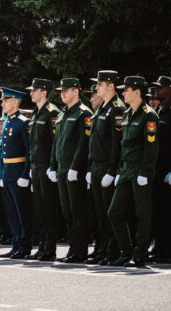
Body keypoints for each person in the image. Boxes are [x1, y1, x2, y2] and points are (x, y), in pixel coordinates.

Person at [107, 76, 159, 268]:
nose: (123, 93)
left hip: (140, 170)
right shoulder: (127, 114)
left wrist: (145, 171)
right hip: (126, 169)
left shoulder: (149, 115)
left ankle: (140, 254)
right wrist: (120, 170)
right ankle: (126, 251)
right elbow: (123, 145)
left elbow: (151, 148)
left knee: (142, 213)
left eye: (126, 90)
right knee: (114, 212)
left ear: (137, 92)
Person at [49, 78, 92, 263]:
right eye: (62, 91)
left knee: (77, 210)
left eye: (67, 90)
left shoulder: (84, 113)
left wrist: (74, 167)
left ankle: (80, 250)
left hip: (75, 171)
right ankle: (73, 248)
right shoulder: (62, 114)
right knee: (67, 211)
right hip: (62, 169)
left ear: (76, 91)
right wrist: (53, 165)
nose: (63, 94)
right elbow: (56, 143)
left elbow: (83, 143)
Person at [86, 70, 126, 265]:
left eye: (100, 84)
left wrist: (112, 171)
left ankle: (112, 250)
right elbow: (94, 142)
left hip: (106, 168)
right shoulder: (101, 108)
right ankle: (101, 248)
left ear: (111, 86)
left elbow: (117, 144)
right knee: (99, 212)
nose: (97, 87)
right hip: (96, 166)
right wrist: (89, 167)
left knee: (110, 212)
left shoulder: (117, 108)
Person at [25, 78, 61, 261]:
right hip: (36, 166)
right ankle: (42, 246)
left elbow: (55, 142)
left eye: (34, 90)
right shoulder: (35, 113)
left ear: (44, 92)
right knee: (38, 208)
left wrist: (52, 166)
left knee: (48, 208)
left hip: (46, 167)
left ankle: (50, 248)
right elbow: (32, 143)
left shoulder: (52, 112)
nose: (31, 93)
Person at [0, 88, 33, 259]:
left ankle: (25, 246)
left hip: (19, 174)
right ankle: (16, 244)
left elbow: (29, 151)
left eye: (6, 100)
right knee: (11, 213)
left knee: (22, 212)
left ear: (16, 102)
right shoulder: (7, 123)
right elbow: (4, 153)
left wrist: (25, 175)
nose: (2, 104)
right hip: (8, 173)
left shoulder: (23, 122)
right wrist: (2, 174)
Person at [149, 76, 171, 263]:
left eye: (160, 88)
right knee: (157, 209)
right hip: (156, 168)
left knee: (169, 211)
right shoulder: (157, 112)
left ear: (170, 90)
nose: (156, 91)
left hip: (168, 168)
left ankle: (170, 249)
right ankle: (159, 247)